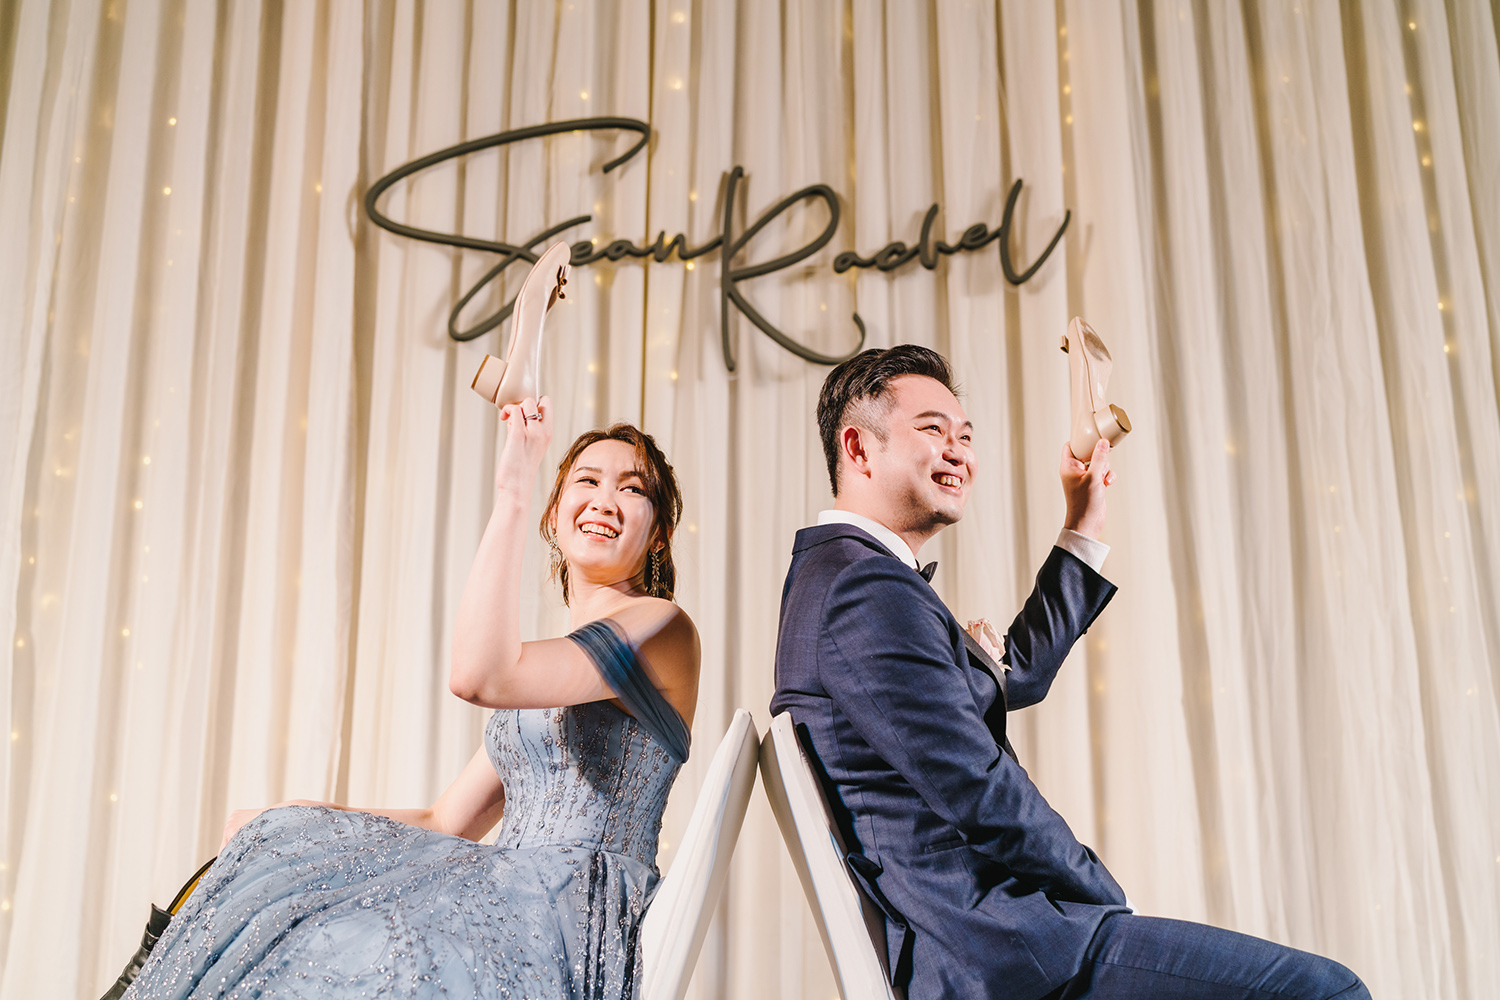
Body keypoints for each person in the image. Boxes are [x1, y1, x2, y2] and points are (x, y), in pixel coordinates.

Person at [770, 345, 1368, 1000]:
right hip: (1002, 952)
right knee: (1328, 992)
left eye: (965, 436)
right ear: (859, 448)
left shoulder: (844, 577)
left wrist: (1082, 522)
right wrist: (1106, 898)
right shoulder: (865, 589)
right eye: (933, 430)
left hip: (987, 943)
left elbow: (1011, 678)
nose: (960, 453)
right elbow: (978, 788)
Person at [124, 399, 699, 1000]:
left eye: (632, 489)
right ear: (556, 515)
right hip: (503, 889)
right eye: (588, 481)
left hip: (569, 913)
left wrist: (512, 492)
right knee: (288, 898)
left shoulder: (662, 628)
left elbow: (480, 677)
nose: (605, 500)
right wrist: (300, 816)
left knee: (353, 948)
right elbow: (444, 822)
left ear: (659, 534)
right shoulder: (554, 672)